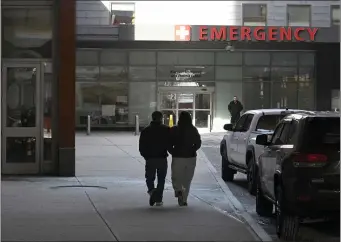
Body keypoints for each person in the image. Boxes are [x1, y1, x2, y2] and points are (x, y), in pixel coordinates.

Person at [168, 111, 201, 206]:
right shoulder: (193, 129)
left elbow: (169, 143)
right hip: (191, 157)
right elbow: (198, 142)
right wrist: (193, 150)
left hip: (178, 156)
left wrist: (173, 152)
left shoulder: (174, 129)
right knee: (187, 179)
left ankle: (178, 190)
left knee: (176, 177)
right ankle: (184, 199)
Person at [139, 111, 170, 206]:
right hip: (162, 157)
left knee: (149, 178)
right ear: (161, 118)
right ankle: (159, 199)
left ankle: (152, 192)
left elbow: (141, 147)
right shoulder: (166, 129)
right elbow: (170, 143)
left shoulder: (145, 130)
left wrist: (146, 156)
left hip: (150, 158)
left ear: (152, 118)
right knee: (161, 179)